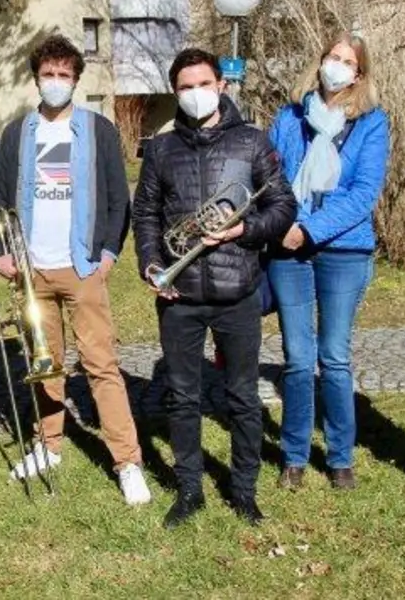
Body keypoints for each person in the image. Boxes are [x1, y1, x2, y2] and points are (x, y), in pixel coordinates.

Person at [0, 35, 150, 506]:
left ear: (76, 80)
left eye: (64, 75)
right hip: (32, 270)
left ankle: (127, 461)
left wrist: (108, 256)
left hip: (82, 267)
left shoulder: (97, 130)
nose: (55, 82)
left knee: (102, 366)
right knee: (44, 365)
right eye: (47, 74)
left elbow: (120, 199)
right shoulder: (18, 133)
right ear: (36, 78)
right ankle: (48, 445)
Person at [133, 48, 295, 528]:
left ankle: (243, 491)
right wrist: (150, 263)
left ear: (220, 86)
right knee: (182, 398)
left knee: (243, 397)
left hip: (236, 292)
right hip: (178, 295)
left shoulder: (252, 141)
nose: (195, 94)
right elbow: (144, 213)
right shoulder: (160, 150)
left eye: (203, 84)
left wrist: (241, 232)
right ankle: (189, 490)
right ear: (175, 92)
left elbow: (283, 206)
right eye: (185, 87)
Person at [265, 33, 390, 491]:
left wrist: (312, 229)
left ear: (359, 74)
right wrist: (283, 226)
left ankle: (340, 457)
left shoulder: (371, 123)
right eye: (331, 57)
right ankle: (294, 455)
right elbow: (270, 177)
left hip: (344, 249)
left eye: (347, 61)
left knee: (333, 356)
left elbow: (364, 193)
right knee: (297, 359)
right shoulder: (290, 116)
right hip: (287, 249)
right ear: (318, 63)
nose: (336, 66)